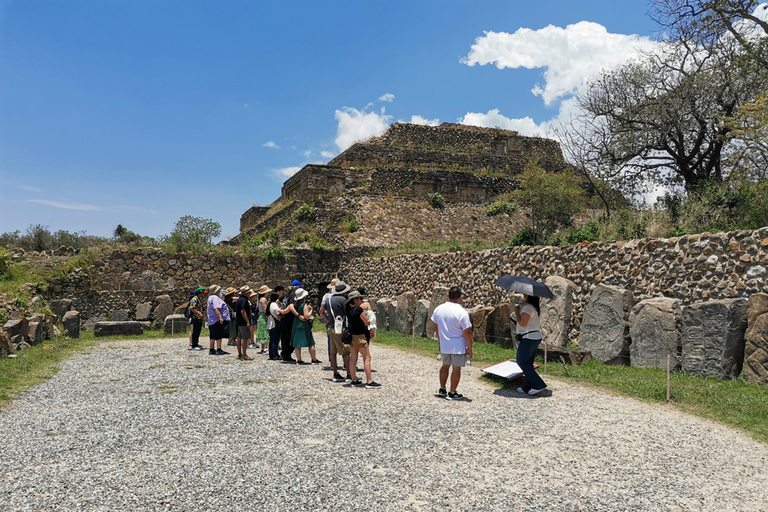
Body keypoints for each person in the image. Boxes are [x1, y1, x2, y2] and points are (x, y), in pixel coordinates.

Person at [431, 286, 472, 400]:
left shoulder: (439, 309)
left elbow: (436, 326)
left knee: (445, 366)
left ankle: (442, 388)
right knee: (456, 368)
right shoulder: (462, 312)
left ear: (448, 296)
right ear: (460, 297)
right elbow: (467, 331)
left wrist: (440, 341)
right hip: (457, 344)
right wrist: (470, 347)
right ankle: (452, 392)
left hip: (445, 342)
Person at [346, 290, 380, 388]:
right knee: (367, 358)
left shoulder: (348, 310)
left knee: (353, 357)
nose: (362, 300)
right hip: (360, 336)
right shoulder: (359, 310)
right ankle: (369, 381)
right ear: (355, 299)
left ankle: (353, 379)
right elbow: (366, 322)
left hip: (351, 336)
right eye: (360, 298)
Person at [515, 294, 547, 395]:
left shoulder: (528, 308)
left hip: (529, 338)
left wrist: (516, 311)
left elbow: (522, 323)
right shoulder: (534, 308)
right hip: (534, 336)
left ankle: (539, 384)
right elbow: (525, 324)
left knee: (521, 362)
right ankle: (528, 386)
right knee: (528, 363)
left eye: (525, 295)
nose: (523, 296)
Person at [320, 280, 351, 382]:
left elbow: (321, 311)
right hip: (340, 328)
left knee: (333, 352)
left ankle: (335, 373)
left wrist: (328, 320)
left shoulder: (329, 299)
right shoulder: (343, 300)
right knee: (345, 351)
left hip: (331, 327)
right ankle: (349, 373)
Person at [283, 288, 318, 365]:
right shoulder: (304, 305)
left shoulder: (293, 305)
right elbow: (306, 316)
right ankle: (314, 359)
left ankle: (299, 359)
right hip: (303, 324)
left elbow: (285, 311)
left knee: (297, 343)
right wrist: (311, 310)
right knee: (310, 342)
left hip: (296, 323)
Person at [319, 278, 340, 363]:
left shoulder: (326, 296)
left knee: (330, 342)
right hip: (340, 320)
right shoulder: (341, 296)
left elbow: (321, 310)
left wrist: (327, 320)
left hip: (330, 320)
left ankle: (332, 362)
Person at [207, 285, 230, 356]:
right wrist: (220, 317)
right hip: (216, 319)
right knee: (218, 335)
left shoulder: (210, 297)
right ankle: (219, 349)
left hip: (211, 319)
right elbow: (216, 308)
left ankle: (212, 349)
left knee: (212, 335)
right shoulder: (215, 298)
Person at [278, 283, 297, 362]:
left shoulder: (286, 295)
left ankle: (285, 354)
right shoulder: (293, 296)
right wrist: (298, 315)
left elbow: (278, 301)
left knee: (284, 338)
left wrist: (280, 311)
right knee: (290, 337)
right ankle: (286, 354)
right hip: (289, 318)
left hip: (283, 318)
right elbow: (291, 307)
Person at [234, 286, 253, 361]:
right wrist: (247, 321)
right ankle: (244, 354)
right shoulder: (244, 301)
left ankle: (240, 353)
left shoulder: (239, 300)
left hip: (238, 321)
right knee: (245, 338)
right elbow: (243, 311)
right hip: (243, 322)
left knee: (239, 338)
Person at [188, 286, 208, 351]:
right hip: (195, 318)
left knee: (198, 331)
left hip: (199, 318)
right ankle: (194, 345)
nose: (204, 294)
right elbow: (192, 308)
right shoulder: (195, 299)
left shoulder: (199, 299)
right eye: (203, 293)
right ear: (200, 293)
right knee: (195, 331)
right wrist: (199, 313)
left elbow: (200, 307)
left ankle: (196, 343)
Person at [255, 285, 272, 354]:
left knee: (262, 331)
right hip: (264, 316)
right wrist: (268, 317)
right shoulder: (264, 299)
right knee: (266, 331)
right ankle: (265, 348)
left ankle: (263, 347)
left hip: (261, 316)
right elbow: (265, 309)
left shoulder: (260, 299)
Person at [266, 291, 282, 360]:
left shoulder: (269, 304)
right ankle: (275, 355)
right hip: (275, 324)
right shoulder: (274, 305)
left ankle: (272, 354)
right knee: (275, 340)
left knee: (272, 340)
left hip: (270, 323)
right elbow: (278, 313)